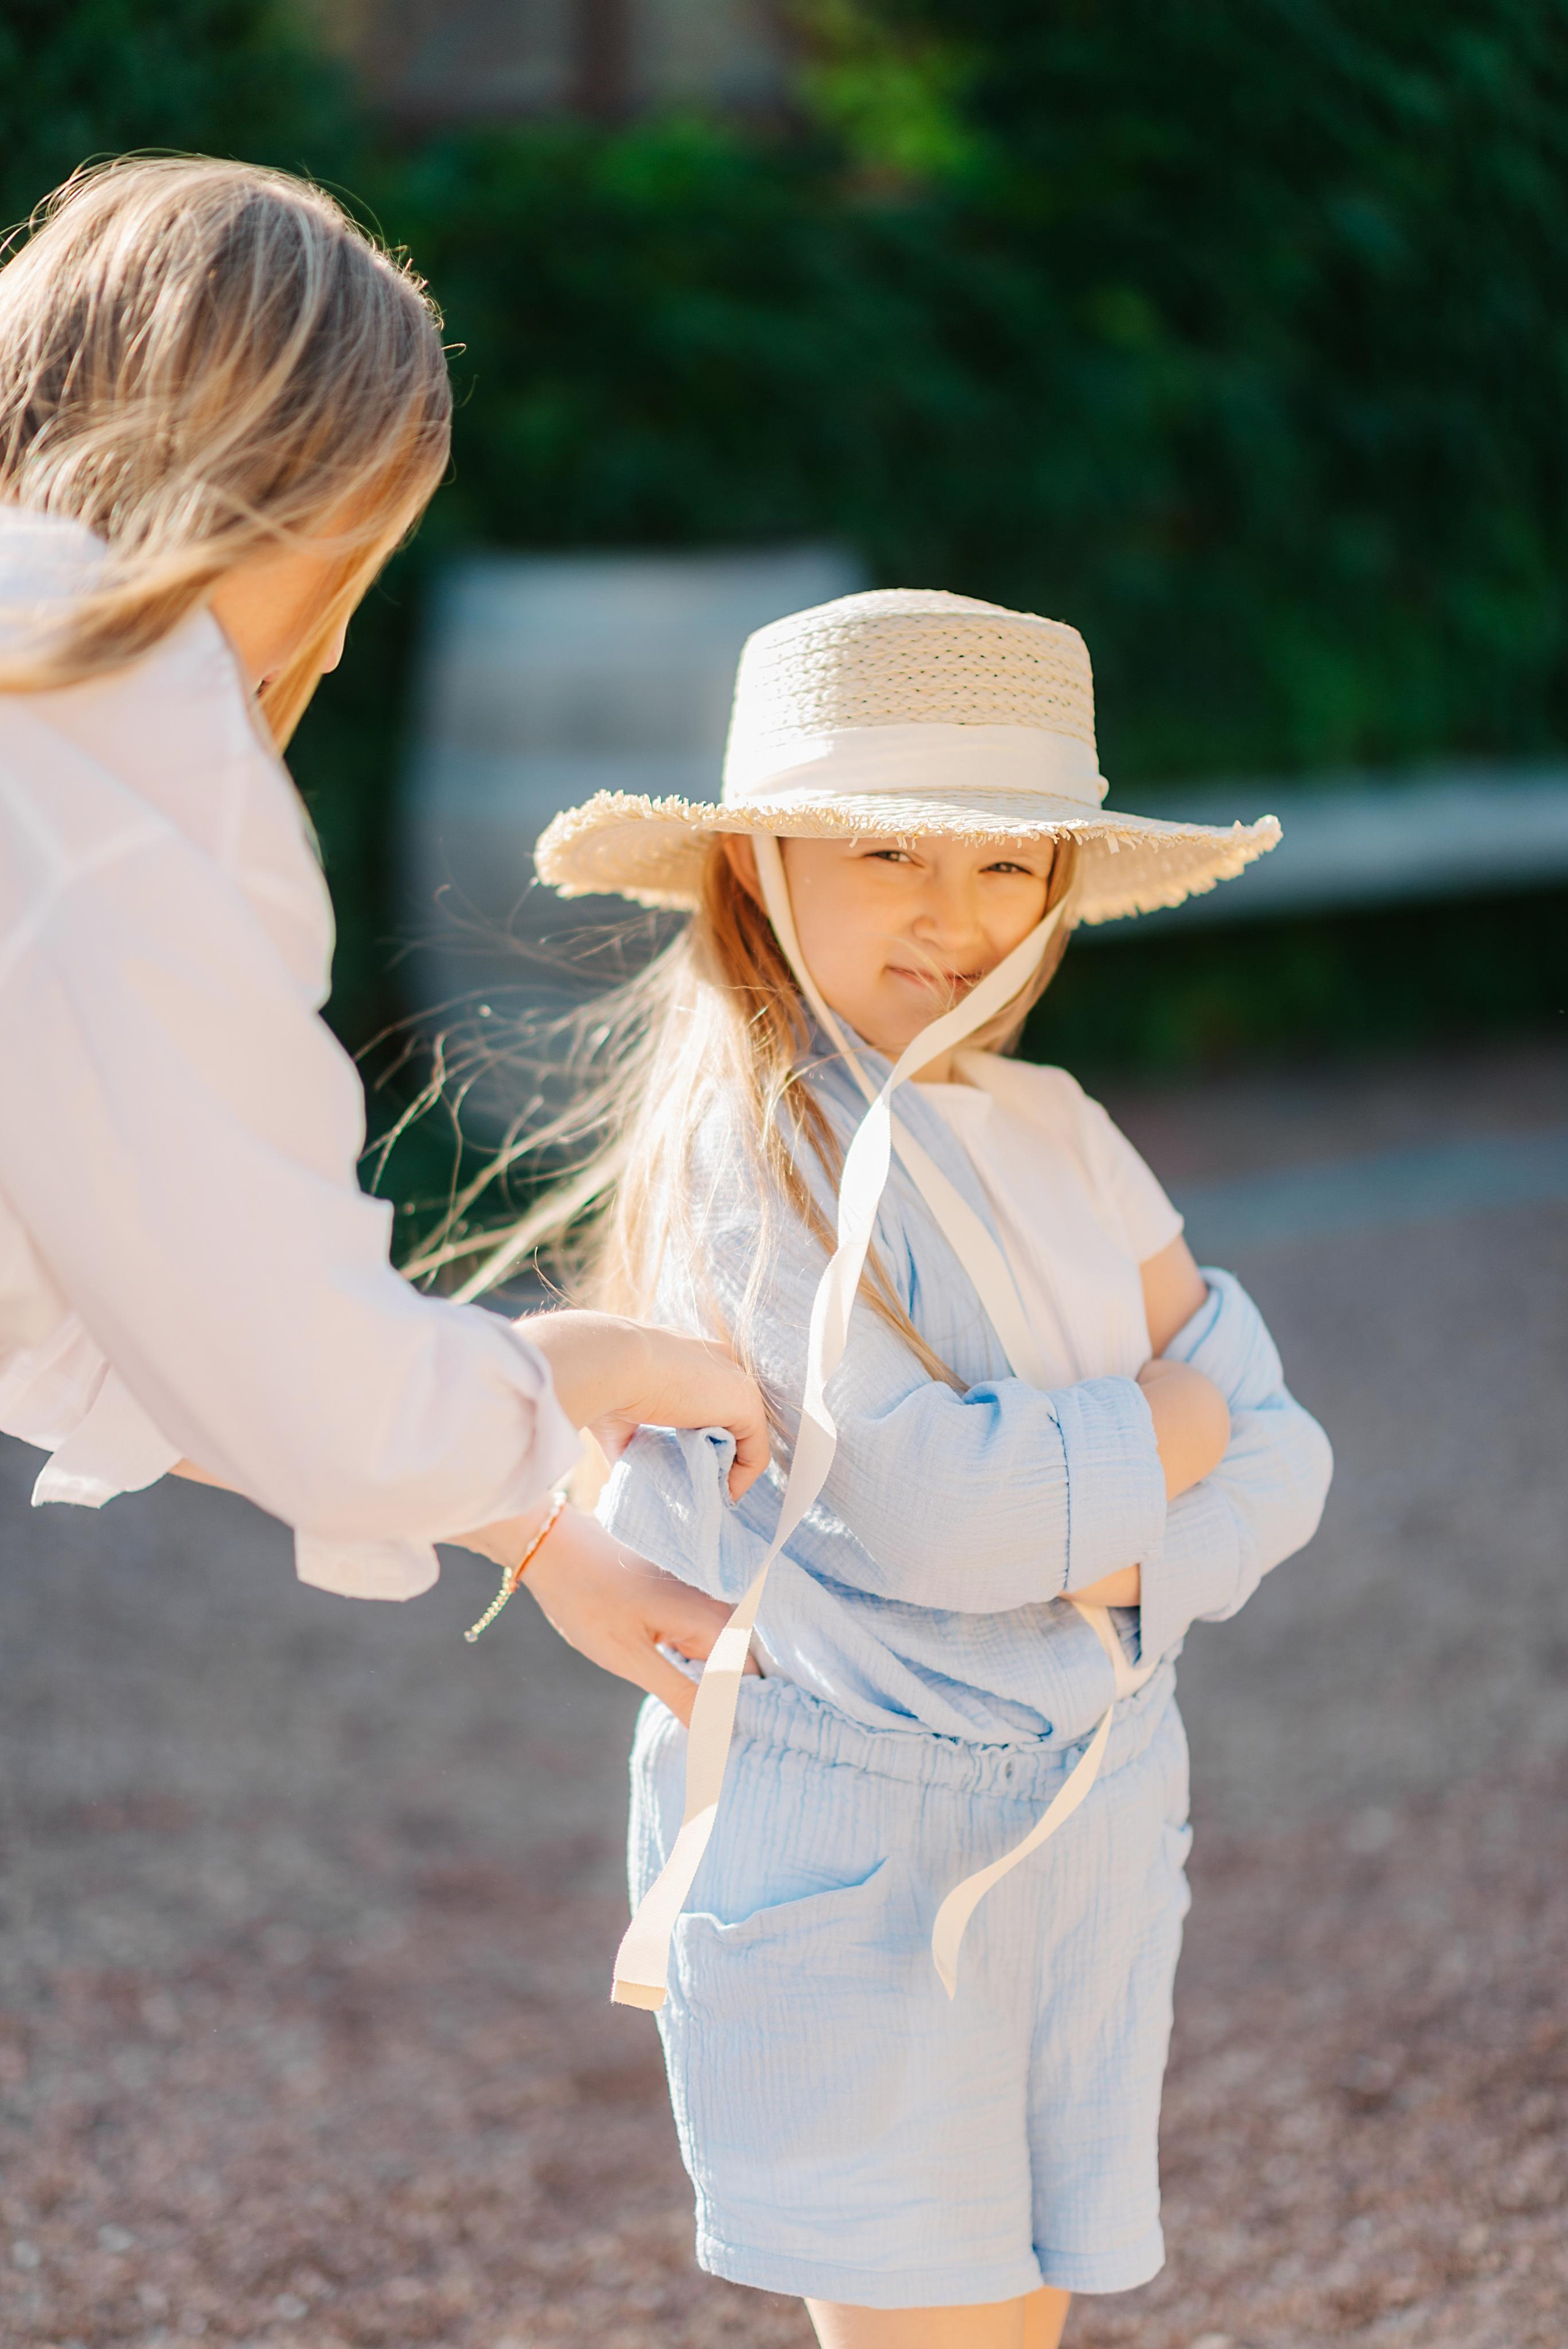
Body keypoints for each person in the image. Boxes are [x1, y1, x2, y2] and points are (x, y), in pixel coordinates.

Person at [490, 589, 1335, 2347]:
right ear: (759, 868)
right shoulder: (767, 1146)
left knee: (1022, 2299)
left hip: (1092, 1802)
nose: (958, 918)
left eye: (1012, 867)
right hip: (856, 1835)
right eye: (890, 850)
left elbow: (1290, 1449)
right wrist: (1168, 1440)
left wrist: (1117, 1545)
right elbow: (942, 1514)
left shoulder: (1058, 1129)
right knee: (921, 2315)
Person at [0, 155, 765, 1719]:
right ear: (255, 486)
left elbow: (96, 1314)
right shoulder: (124, 750)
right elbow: (296, 1380)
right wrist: (590, 1370)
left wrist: (530, 1515)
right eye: (351, 557)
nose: (339, 639)